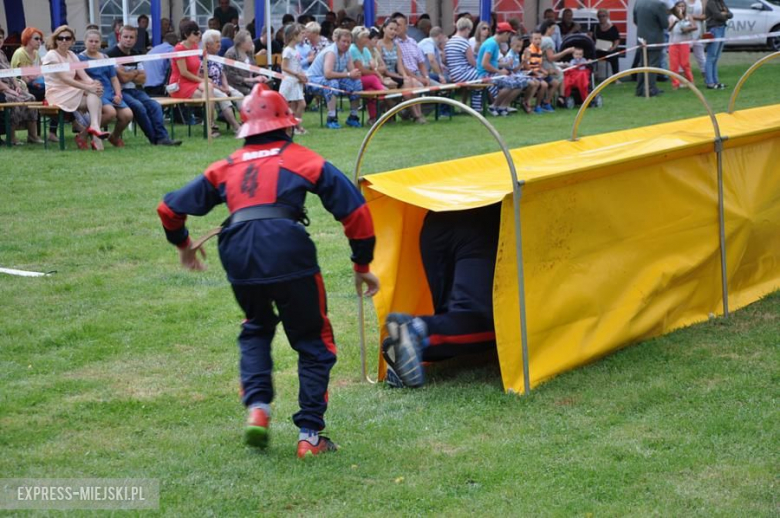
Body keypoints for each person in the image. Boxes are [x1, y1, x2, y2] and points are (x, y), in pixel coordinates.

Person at [156, 83, 379, 457]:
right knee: (312, 340)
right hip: (287, 247)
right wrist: (362, 265)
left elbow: (169, 209)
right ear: (287, 124)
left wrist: (183, 247)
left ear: (245, 128)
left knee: (256, 327)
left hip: (238, 247)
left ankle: (258, 409)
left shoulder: (225, 166)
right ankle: (309, 436)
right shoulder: (305, 159)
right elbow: (355, 210)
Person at [382, 204, 501, 389]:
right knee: (494, 326)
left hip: (437, 217)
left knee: (452, 320)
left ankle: (410, 348)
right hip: (484, 220)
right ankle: (415, 330)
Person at [106, 26, 180, 146]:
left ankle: (163, 137)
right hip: (118, 92)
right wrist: (134, 73)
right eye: (125, 37)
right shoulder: (111, 54)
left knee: (154, 105)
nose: (128, 40)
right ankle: (155, 140)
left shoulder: (137, 54)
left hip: (134, 90)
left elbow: (143, 79)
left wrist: (127, 73)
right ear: (119, 37)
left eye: (131, 37)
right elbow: (122, 78)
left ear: (136, 39)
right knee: (139, 107)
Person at [42, 25, 108, 150]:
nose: (64, 41)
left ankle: (94, 132)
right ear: (55, 40)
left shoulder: (72, 55)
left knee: (96, 97)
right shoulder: (51, 55)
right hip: (56, 93)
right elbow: (65, 79)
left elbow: (83, 75)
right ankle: (94, 136)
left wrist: (93, 84)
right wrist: (87, 88)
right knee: (93, 96)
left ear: (72, 41)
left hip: (71, 91)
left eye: (67, 38)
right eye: (60, 38)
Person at [79, 29, 133, 147]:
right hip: (95, 92)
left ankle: (114, 137)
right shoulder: (80, 58)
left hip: (110, 92)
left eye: (96, 41)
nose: (93, 44)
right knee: (110, 112)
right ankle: (83, 135)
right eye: (91, 41)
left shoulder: (105, 57)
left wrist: (118, 94)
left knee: (127, 115)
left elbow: (114, 78)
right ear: (85, 42)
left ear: (100, 43)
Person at [305, 28, 363, 129]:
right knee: (332, 83)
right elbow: (328, 74)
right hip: (313, 81)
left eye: (348, 42)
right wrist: (349, 74)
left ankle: (353, 117)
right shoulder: (331, 52)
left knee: (356, 83)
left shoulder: (347, 53)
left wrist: (355, 74)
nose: (346, 44)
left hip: (332, 79)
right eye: (343, 41)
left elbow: (352, 72)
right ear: (337, 41)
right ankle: (331, 118)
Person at [377, 19, 426, 124]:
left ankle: (418, 114)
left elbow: (399, 65)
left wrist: (404, 75)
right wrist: (402, 77)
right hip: (384, 76)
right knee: (407, 83)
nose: (393, 32)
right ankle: (416, 115)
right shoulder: (379, 45)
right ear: (384, 29)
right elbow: (383, 68)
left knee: (412, 82)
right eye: (391, 29)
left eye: (395, 29)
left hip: (396, 75)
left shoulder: (396, 45)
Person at [0, 27, 42, 145]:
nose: (0, 40)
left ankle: (32, 135)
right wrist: (9, 89)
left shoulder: (2, 53)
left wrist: (17, 85)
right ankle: (12, 137)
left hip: (10, 87)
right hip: (3, 90)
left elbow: (11, 72)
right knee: (14, 99)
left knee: (31, 98)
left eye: (1, 37)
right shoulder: (19, 53)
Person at [477, 22, 523, 117]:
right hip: (485, 74)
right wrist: (500, 71)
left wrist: (504, 64)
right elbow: (485, 64)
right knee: (512, 82)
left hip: (490, 72)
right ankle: (494, 106)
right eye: (509, 35)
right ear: (505, 33)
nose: (508, 38)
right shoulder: (492, 44)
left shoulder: (494, 43)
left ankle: (502, 106)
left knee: (520, 83)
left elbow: (492, 62)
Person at [203, 29, 243, 135]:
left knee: (238, 95)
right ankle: (236, 127)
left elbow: (222, 73)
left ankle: (247, 123)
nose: (220, 44)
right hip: (210, 86)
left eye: (219, 41)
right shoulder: (202, 58)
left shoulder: (217, 57)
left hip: (221, 85)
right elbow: (204, 78)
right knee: (224, 99)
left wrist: (226, 87)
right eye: (217, 42)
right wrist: (221, 89)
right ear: (208, 45)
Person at [444, 16, 484, 112]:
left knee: (478, 79)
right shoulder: (464, 42)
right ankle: (479, 107)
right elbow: (472, 62)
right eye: (469, 30)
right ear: (466, 29)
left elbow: (444, 60)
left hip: (454, 74)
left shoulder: (449, 41)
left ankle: (471, 106)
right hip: (463, 73)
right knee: (485, 76)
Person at [350, 25, 386, 125]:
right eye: (365, 37)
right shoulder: (353, 49)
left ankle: (373, 118)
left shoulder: (365, 50)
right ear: (358, 38)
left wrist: (379, 75)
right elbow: (360, 70)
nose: (367, 39)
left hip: (366, 78)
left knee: (371, 91)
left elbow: (373, 67)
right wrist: (377, 75)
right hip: (355, 79)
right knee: (374, 79)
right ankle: (384, 92)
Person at [633, 0, 669, 97]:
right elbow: (665, 24)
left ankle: (639, 89)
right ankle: (650, 89)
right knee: (653, 65)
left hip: (641, 38)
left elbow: (635, 20)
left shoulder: (638, 3)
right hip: (655, 39)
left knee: (642, 65)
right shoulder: (659, 4)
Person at [279, 24, 308, 135]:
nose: (303, 36)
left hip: (296, 81)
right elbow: (284, 67)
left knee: (297, 104)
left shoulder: (295, 50)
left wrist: (302, 76)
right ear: (293, 36)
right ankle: (295, 125)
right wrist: (297, 74)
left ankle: (294, 125)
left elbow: (296, 65)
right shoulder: (287, 51)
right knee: (299, 104)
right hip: (289, 81)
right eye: (301, 33)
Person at [394, 13, 434, 87]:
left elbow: (421, 64)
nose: (396, 27)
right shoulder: (394, 44)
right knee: (420, 88)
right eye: (395, 25)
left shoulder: (413, 42)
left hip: (418, 74)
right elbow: (402, 67)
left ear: (406, 27)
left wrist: (426, 77)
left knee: (440, 87)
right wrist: (419, 79)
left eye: (399, 25)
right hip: (408, 77)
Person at [225, 30, 269, 95]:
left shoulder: (249, 53)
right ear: (241, 43)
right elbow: (231, 76)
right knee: (254, 94)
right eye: (249, 42)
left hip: (251, 84)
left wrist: (261, 76)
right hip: (238, 85)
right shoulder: (231, 54)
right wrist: (252, 80)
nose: (252, 43)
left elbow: (255, 68)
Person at [522, 30, 553, 114]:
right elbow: (526, 65)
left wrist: (544, 71)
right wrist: (537, 73)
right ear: (531, 40)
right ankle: (533, 104)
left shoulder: (539, 51)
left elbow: (538, 65)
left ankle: (543, 104)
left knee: (553, 82)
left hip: (537, 73)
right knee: (544, 84)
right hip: (529, 74)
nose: (538, 41)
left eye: (539, 39)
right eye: (535, 39)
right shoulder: (528, 50)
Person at [668, 0, 697, 90]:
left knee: (685, 63)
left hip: (684, 42)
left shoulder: (688, 17)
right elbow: (669, 29)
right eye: (679, 6)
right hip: (673, 43)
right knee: (674, 64)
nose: (681, 8)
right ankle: (675, 84)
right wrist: (675, 22)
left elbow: (695, 27)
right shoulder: (672, 17)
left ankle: (690, 82)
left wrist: (688, 29)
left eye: (683, 6)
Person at [704, 0, 732, 89]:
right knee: (711, 57)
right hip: (714, 29)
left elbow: (731, 14)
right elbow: (717, 16)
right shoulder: (711, 2)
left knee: (716, 57)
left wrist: (725, 14)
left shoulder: (721, 2)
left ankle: (716, 81)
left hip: (722, 28)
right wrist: (725, 14)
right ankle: (710, 83)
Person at [143, 32, 178, 96]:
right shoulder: (171, 49)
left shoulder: (154, 49)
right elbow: (176, 66)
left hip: (145, 84)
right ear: (176, 42)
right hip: (158, 86)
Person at [594, 9, 621, 80]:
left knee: (614, 55)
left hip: (609, 50)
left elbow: (617, 40)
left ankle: (616, 78)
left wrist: (613, 48)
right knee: (589, 56)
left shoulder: (613, 28)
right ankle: (589, 77)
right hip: (597, 50)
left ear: (607, 16)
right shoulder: (594, 27)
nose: (601, 18)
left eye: (603, 16)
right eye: (599, 16)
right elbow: (590, 38)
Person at [685, 0, 707, 75]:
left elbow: (705, 15)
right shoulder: (683, 2)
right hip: (686, 30)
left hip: (698, 29)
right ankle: (683, 72)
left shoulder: (701, 1)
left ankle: (705, 71)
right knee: (684, 53)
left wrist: (694, 17)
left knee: (700, 52)